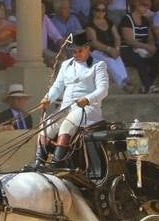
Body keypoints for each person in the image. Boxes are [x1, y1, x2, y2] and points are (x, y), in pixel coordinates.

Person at [36, 29, 108, 166]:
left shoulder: (98, 65)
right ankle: (39, 162)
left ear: (87, 48)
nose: (76, 54)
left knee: (67, 124)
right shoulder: (65, 65)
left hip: (88, 109)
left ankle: (56, 163)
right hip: (66, 107)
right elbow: (58, 86)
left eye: (79, 51)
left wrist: (87, 99)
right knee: (46, 125)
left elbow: (103, 90)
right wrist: (47, 98)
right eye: (73, 51)